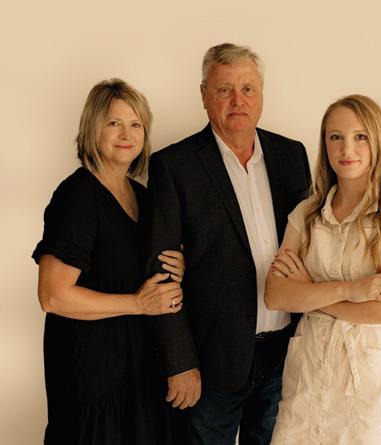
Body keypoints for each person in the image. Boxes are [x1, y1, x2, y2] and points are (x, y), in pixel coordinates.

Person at [145, 43, 311, 444]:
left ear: (261, 94)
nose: (238, 101)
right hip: (210, 361)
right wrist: (180, 363)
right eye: (224, 90)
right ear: (204, 96)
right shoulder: (174, 166)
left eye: (247, 89)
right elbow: (161, 275)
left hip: (283, 354)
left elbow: (314, 239)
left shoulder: (292, 156)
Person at [265, 94, 381, 444]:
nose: (346, 149)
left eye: (360, 136)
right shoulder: (306, 214)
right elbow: (275, 294)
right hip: (308, 378)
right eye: (335, 137)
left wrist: (309, 293)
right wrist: (351, 290)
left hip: (370, 389)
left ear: (378, 140)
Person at [32, 78, 186, 445]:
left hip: (138, 366)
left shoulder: (143, 197)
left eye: (136, 124)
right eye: (114, 123)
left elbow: (142, 269)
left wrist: (178, 265)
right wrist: (137, 303)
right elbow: (52, 296)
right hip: (91, 369)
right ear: (93, 127)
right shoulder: (77, 197)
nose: (126, 134)